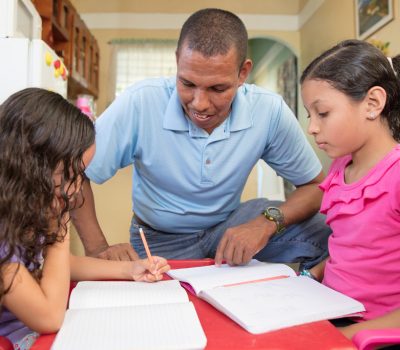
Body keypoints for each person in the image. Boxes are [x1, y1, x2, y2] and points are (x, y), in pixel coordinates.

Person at [71, 8, 331, 268]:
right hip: (158, 238)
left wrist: (266, 222)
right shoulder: (140, 101)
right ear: (177, 61)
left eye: (217, 88)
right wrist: (97, 249)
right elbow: (74, 174)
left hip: (229, 225)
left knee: (327, 232)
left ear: (243, 73)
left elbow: (315, 187)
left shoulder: (268, 110)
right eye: (187, 84)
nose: (200, 104)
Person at [0, 88, 170, 349]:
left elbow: (54, 266)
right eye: (73, 174)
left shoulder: (23, 208)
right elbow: (49, 317)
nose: (78, 187)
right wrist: (60, 229)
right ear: (32, 166)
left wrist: (129, 270)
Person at [300, 39, 400, 340]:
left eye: (323, 113)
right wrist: (308, 276)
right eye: (310, 115)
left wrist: (351, 335)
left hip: (375, 331)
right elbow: (351, 248)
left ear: (372, 104)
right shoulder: (340, 168)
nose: (312, 128)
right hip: (332, 310)